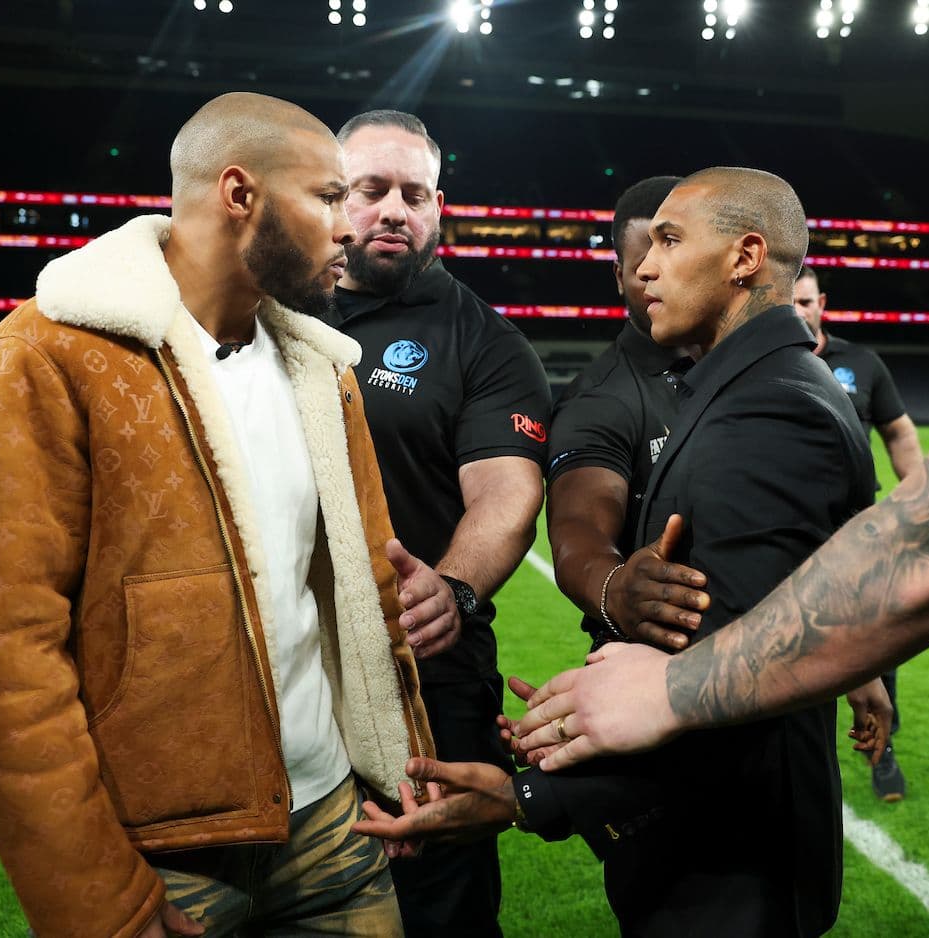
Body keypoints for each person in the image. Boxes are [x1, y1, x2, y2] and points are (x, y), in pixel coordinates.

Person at [512, 2, 929, 935]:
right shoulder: (749, 384)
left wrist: (553, 781)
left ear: (747, 259)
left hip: (754, 848)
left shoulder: (773, 400)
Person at [0, 92, 447, 938]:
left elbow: (364, 592)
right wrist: (94, 901)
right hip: (160, 851)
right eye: (326, 197)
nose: (349, 225)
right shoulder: (42, 360)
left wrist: (395, 764)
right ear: (239, 195)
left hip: (331, 828)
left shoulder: (325, 370)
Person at [356, 167, 892, 937]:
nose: (645, 268)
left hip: (734, 846)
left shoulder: (772, 407)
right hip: (714, 822)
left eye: (670, 242)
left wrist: (528, 797)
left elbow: (733, 677)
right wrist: (607, 614)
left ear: (745, 258)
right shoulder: (766, 388)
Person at [327, 109, 552, 937]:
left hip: (426, 670)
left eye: (413, 194)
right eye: (371, 190)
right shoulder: (268, 311)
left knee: (437, 905)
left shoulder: (485, 342)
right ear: (330, 198)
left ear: (439, 207)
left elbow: (505, 491)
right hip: (282, 668)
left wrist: (451, 588)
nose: (394, 210)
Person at [547, 175, 711, 654]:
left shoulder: (744, 374)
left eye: (673, 254)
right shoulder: (599, 398)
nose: (654, 273)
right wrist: (615, 588)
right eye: (640, 264)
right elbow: (579, 529)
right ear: (618, 276)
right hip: (645, 666)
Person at [794, 264, 923, 801]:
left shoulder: (861, 363)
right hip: (793, 532)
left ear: (822, 302)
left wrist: (918, 502)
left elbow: (898, 431)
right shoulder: (765, 365)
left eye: (806, 302)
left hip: (859, 530)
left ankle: (882, 754)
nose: (799, 311)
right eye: (789, 303)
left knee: (874, 642)